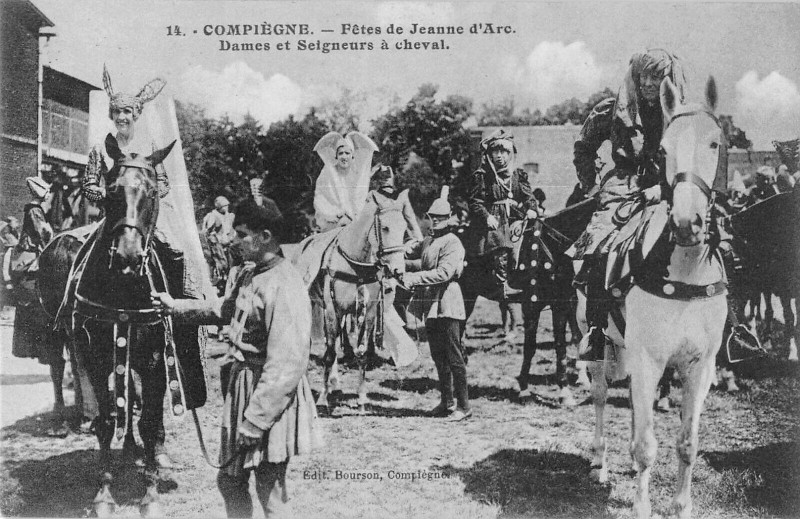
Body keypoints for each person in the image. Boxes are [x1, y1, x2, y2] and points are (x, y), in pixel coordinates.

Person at [151, 200, 321, 518]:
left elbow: (286, 365)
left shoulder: (285, 284)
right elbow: (222, 311)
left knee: (270, 487)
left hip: (268, 398)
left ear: (265, 236)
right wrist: (174, 306)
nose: (231, 240)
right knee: (230, 481)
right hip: (243, 387)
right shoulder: (249, 273)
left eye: (241, 234)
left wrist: (256, 420)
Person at [79, 66, 209, 467]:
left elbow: (165, 185)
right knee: (81, 253)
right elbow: (88, 184)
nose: (123, 119)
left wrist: (145, 196)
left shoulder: (150, 146)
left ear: (136, 118)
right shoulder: (101, 150)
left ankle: (181, 314)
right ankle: (72, 306)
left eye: (129, 115)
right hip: (114, 216)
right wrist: (110, 197)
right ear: (111, 117)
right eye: (118, 114)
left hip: (144, 217)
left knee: (174, 252)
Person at [568, 49, 687, 361]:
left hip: (668, 186)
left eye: (657, 76)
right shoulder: (611, 111)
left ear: (669, 80)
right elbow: (583, 147)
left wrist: (665, 188)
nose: (649, 83)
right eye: (644, 76)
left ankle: (733, 327)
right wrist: (590, 182)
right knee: (600, 241)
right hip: (623, 187)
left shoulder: (682, 114)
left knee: (711, 237)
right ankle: (595, 329)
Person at [404, 187, 471, 421]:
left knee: (454, 355)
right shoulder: (430, 240)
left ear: (449, 218)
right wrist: (401, 265)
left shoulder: (454, 242)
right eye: (433, 217)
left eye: (441, 218)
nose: (436, 221)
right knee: (438, 355)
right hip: (431, 304)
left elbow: (443, 273)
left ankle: (464, 406)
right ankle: (446, 401)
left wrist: (413, 278)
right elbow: (422, 264)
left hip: (449, 302)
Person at [466, 128, 538, 296]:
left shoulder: (518, 175)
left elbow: (529, 197)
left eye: (503, 151)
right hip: (495, 219)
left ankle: (529, 278)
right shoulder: (483, 176)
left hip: (515, 216)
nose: (499, 155)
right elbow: (475, 202)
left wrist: (532, 209)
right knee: (501, 240)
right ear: (489, 155)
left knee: (533, 236)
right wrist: (487, 216)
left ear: (510, 153)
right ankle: (501, 284)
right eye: (495, 152)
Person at [313, 131, 379, 232]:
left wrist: (352, 215)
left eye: (347, 153)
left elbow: (360, 198)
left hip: (355, 218)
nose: (344, 157)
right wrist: (335, 214)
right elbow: (320, 197)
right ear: (336, 156)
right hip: (334, 222)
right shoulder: (328, 173)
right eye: (340, 153)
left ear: (352, 156)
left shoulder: (357, 174)